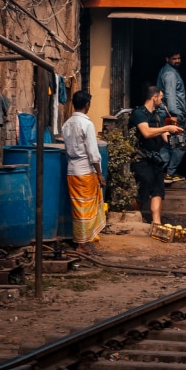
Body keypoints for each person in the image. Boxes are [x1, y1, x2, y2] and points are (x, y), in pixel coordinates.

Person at [129, 84, 181, 227]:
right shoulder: (139, 113)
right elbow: (146, 132)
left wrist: (179, 140)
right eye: (161, 98)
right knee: (143, 189)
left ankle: (157, 224)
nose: (162, 102)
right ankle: (132, 218)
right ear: (155, 97)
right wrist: (166, 127)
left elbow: (164, 136)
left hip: (155, 158)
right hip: (141, 158)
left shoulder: (156, 115)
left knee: (158, 190)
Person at [60, 91, 106, 252]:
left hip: (72, 171)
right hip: (85, 172)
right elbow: (93, 153)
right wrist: (100, 174)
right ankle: (82, 244)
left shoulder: (66, 124)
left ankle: (82, 241)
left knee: (78, 208)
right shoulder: (87, 124)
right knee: (86, 209)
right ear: (87, 105)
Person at [157, 53, 186, 181]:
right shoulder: (170, 74)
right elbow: (170, 94)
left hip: (168, 113)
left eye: (179, 58)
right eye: (174, 59)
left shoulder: (169, 71)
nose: (177, 61)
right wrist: (174, 114)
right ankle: (169, 173)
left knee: (169, 144)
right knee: (180, 144)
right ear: (167, 59)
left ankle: (159, 171)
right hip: (171, 114)